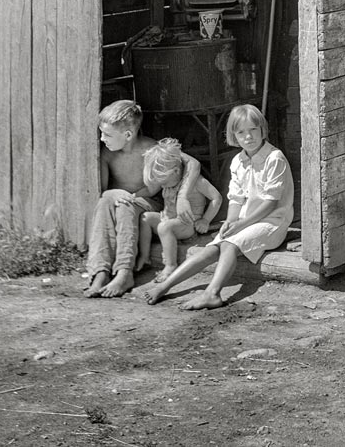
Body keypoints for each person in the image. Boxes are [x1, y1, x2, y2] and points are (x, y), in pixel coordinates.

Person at [145, 104, 293, 311]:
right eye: (241, 132)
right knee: (212, 248)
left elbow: (271, 202)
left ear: (262, 129)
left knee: (229, 245)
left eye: (253, 130)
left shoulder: (274, 158)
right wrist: (231, 221)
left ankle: (212, 293)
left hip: (271, 222)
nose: (248, 136)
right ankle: (165, 286)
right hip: (244, 222)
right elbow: (236, 199)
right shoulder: (238, 161)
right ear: (234, 135)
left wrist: (241, 224)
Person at [85, 100, 201, 298]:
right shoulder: (107, 155)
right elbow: (103, 192)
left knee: (124, 206)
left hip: (150, 201)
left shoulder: (150, 149)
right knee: (106, 201)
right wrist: (116, 194)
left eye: (107, 134)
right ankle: (101, 271)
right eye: (101, 133)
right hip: (121, 201)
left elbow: (193, 163)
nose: (102, 139)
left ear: (128, 135)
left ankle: (124, 271)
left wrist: (182, 196)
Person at [136, 137, 223, 281]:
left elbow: (216, 198)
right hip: (170, 221)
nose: (162, 187)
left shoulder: (196, 181)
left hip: (187, 224)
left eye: (164, 182)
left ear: (176, 170)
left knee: (164, 228)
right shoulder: (168, 181)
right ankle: (145, 257)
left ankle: (170, 265)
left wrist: (205, 220)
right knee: (145, 218)